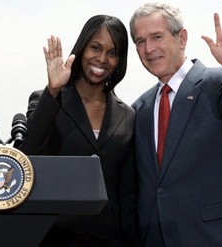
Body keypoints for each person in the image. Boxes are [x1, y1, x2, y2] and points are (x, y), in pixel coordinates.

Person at [129, 2, 222, 247]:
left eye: (157, 37)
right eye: (140, 41)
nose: (149, 48)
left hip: (216, 238)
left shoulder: (218, 83)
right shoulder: (139, 108)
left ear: (181, 38)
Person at [20, 15, 139, 246]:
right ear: (82, 47)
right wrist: (53, 91)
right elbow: (25, 156)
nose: (102, 59)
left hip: (109, 238)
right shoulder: (48, 100)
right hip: (54, 237)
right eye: (95, 47)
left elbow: (128, 194)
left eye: (112, 53)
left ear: (120, 60)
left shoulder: (127, 116)